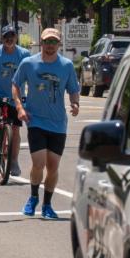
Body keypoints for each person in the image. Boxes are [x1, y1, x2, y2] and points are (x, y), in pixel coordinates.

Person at [13, 28, 80, 220]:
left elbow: (73, 89)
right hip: (35, 121)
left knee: (53, 166)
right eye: (47, 41)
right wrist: (20, 107)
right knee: (39, 163)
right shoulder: (28, 63)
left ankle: (47, 205)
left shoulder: (66, 65)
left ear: (59, 44)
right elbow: (16, 84)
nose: (50, 45)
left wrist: (75, 103)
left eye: (54, 42)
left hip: (58, 123)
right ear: (41, 43)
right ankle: (33, 196)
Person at [0, 24, 25, 176]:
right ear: (2, 38)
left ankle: (14, 161)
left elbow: (31, 72)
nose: (9, 39)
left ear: (16, 37)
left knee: (15, 129)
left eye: (12, 36)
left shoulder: (24, 54)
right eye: (6, 36)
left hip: (16, 96)